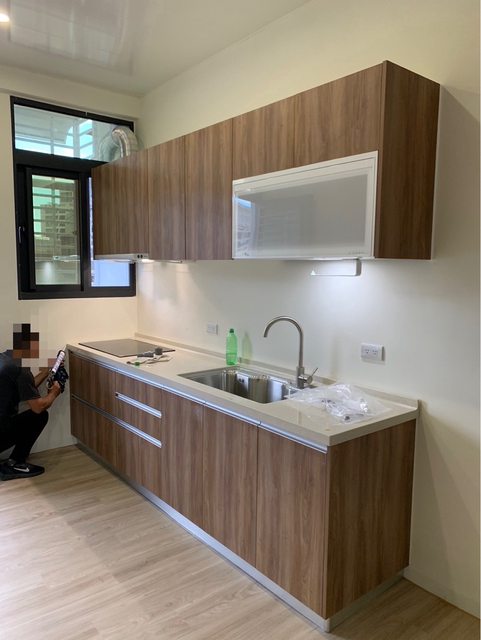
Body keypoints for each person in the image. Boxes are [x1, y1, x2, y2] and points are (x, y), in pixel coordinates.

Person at [0, 324, 63, 481]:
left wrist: (45, 371)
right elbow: (38, 407)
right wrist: (54, 393)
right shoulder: (21, 369)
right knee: (40, 416)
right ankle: (15, 463)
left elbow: (26, 387)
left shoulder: (5, 360)